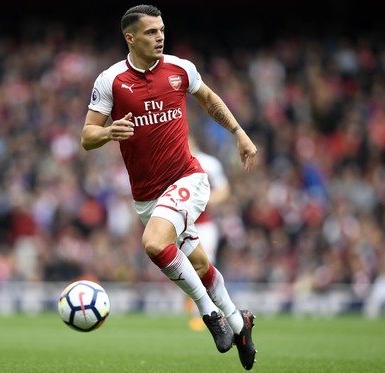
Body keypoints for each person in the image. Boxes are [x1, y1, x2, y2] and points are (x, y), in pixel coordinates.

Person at [80, 5, 258, 370]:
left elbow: (209, 99)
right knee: (200, 263)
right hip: (146, 196)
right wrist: (108, 133)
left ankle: (210, 315)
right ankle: (240, 325)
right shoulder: (110, 80)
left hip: (187, 179)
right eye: (150, 32)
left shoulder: (181, 69)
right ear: (130, 37)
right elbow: (86, 136)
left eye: (161, 30)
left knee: (153, 244)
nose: (160, 36)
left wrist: (239, 134)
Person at [185, 135, 231, 331]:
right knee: (184, 267)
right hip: (181, 224)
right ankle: (194, 310)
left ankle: (207, 312)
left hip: (204, 226)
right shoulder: (172, 162)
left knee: (204, 266)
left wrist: (204, 200)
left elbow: (224, 190)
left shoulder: (209, 163)